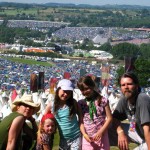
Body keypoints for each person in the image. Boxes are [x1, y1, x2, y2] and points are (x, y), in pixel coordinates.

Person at [111, 72, 150, 150]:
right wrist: (120, 132)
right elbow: (114, 118)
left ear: (136, 86)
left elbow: (147, 129)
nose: (126, 87)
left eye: (129, 84)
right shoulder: (124, 99)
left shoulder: (142, 98)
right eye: (123, 85)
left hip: (148, 136)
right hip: (138, 133)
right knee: (108, 127)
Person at [44, 79, 84, 150]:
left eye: (69, 93)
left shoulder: (73, 103)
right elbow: (44, 119)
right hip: (63, 139)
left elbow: (81, 116)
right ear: (58, 89)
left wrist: (82, 129)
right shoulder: (51, 105)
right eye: (64, 91)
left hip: (76, 137)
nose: (66, 94)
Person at [77, 75, 112, 150]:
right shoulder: (81, 103)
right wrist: (84, 134)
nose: (84, 91)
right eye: (82, 90)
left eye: (86, 88)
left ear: (92, 86)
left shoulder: (103, 100)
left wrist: (101, 132)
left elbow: (109, 118)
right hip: (88, 138)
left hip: (102, 136)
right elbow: (81, 121)